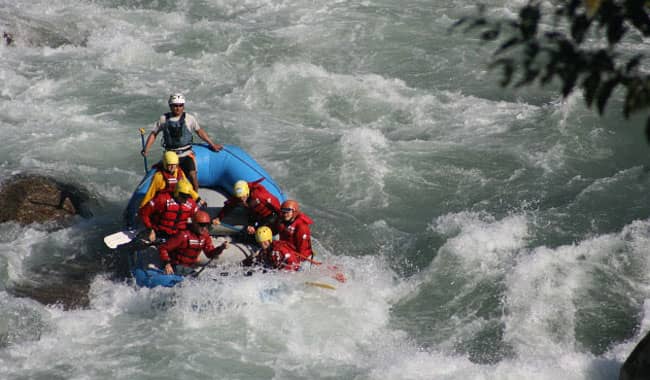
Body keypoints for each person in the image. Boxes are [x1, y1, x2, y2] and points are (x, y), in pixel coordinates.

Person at [140, 93, 223, 190]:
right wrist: (146, 149)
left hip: (186, 153)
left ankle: (196, 198)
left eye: (180, 105)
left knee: (193, 176)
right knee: (170, 179)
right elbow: (154, 134)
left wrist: (212, 145)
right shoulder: (163, 119)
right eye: (175, 105)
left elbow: (199, 132)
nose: (178, 108)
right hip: (171, 155)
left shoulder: (189, 119)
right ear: (170, 106)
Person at [158, 210, 228, 275]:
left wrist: (221, 248)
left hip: (189, 268)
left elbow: (210, 254)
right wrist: (167, 264)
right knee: (195, 278)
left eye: (206, 225)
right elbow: (163, 248)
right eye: (201, 225)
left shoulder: (205, 236)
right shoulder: (183, 235)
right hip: (176, 266)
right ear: (194, 224)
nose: (204, 228)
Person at [212, 179, 281, 236]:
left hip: (270, 217)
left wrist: (256, 228)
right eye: (240, 197)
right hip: (255, 215)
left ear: (247, 192)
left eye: (243, 197)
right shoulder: (240, 195)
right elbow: (229, 205)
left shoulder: (259, 196)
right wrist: (219, 217)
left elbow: (276, 209)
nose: (242, 199)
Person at [139, 151, 205, 208]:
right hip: (164, 201)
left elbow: (188, 188)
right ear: (165, 164)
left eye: (174, 165)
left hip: (177, 199)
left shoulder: (179, 172)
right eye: (169, 165)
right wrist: (143, 206)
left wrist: (198, 199)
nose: (172, 168)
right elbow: (151, 193)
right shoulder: (159, 176)